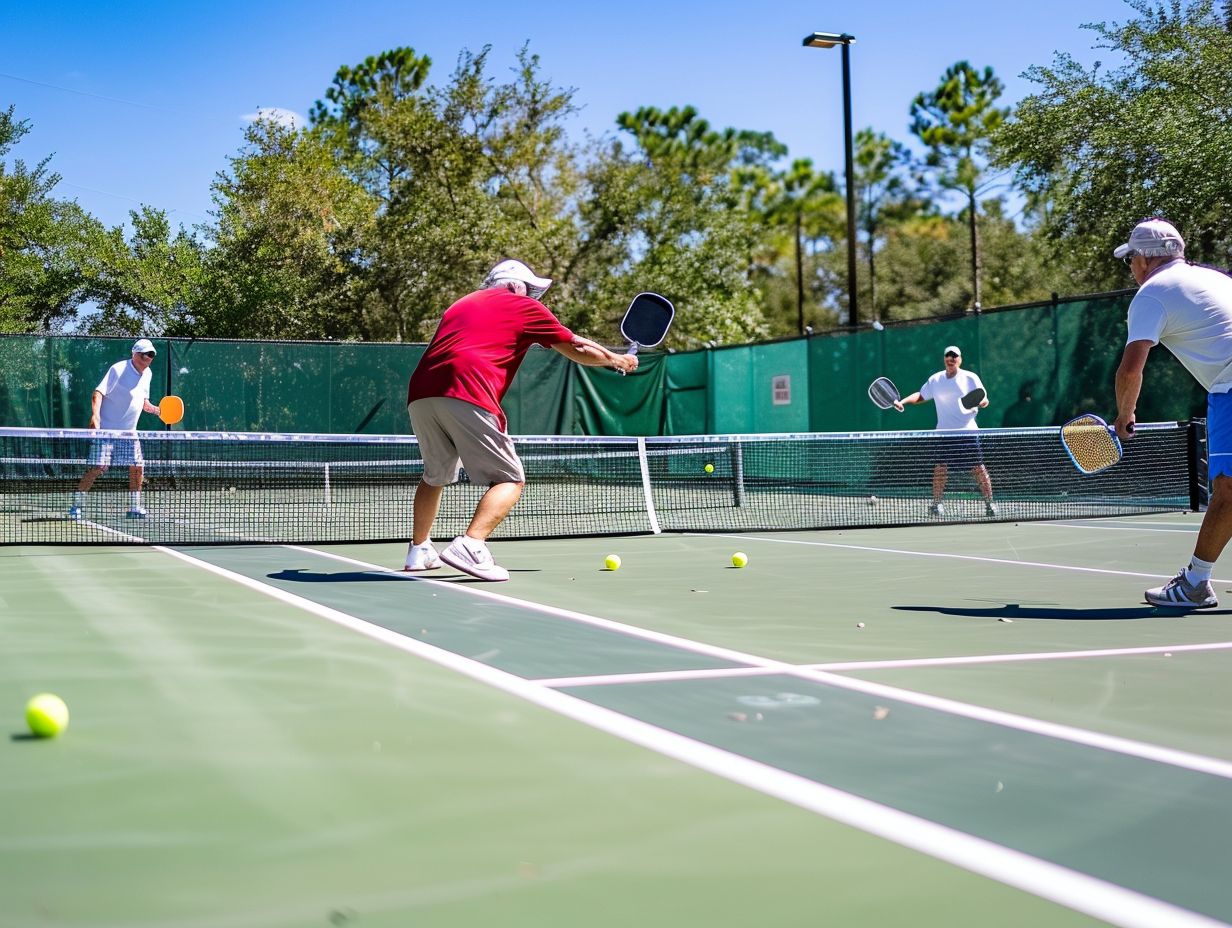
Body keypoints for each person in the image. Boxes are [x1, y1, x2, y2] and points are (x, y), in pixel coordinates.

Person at [404, 259, 638, 581]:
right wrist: (617, 360)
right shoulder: (520, 304)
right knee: (510, 479)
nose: (533, 298)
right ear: (515, 286)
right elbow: (577, 346)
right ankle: (471, 545)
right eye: (529, 290)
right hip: (468, 390)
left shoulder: (461, 304)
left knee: (435, 475)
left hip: (421, 394)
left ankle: (419, 550)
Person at [1113, 217, 1232, 608]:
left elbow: (1131, 367)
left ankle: (1196, 583)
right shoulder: (1215, 278)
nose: (1130, 267)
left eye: (1130, 259)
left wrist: (1124, 414)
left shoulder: (1152, 293)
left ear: (1145, 259)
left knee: (1227, 492)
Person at [893, 345, 997, 518]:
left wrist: (981, 402)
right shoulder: (936, 379)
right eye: (948, 356)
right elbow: (921, 395)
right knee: (940, 469)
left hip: (967, 433)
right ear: (944, 359)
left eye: (954, 356)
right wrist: (902, 402)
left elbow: (983, 398)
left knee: (978, 468)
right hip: (944, 434)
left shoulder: (970, 378)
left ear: (960, 359)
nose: (951, 359)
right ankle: (937, 504)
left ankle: (990, 503)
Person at [70, 338, 162, 520]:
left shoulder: (148, 374)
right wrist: (95, 416)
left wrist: (155, 409)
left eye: (152, 355)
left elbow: (143, 401)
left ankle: (135, 508)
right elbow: (98, 393)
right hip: (106, 431)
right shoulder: (118, 369)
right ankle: (76, 506)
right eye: (146, 354)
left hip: (129, 433)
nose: (149, 358)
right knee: (98, 467)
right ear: (135, 354)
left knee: (137, 467)